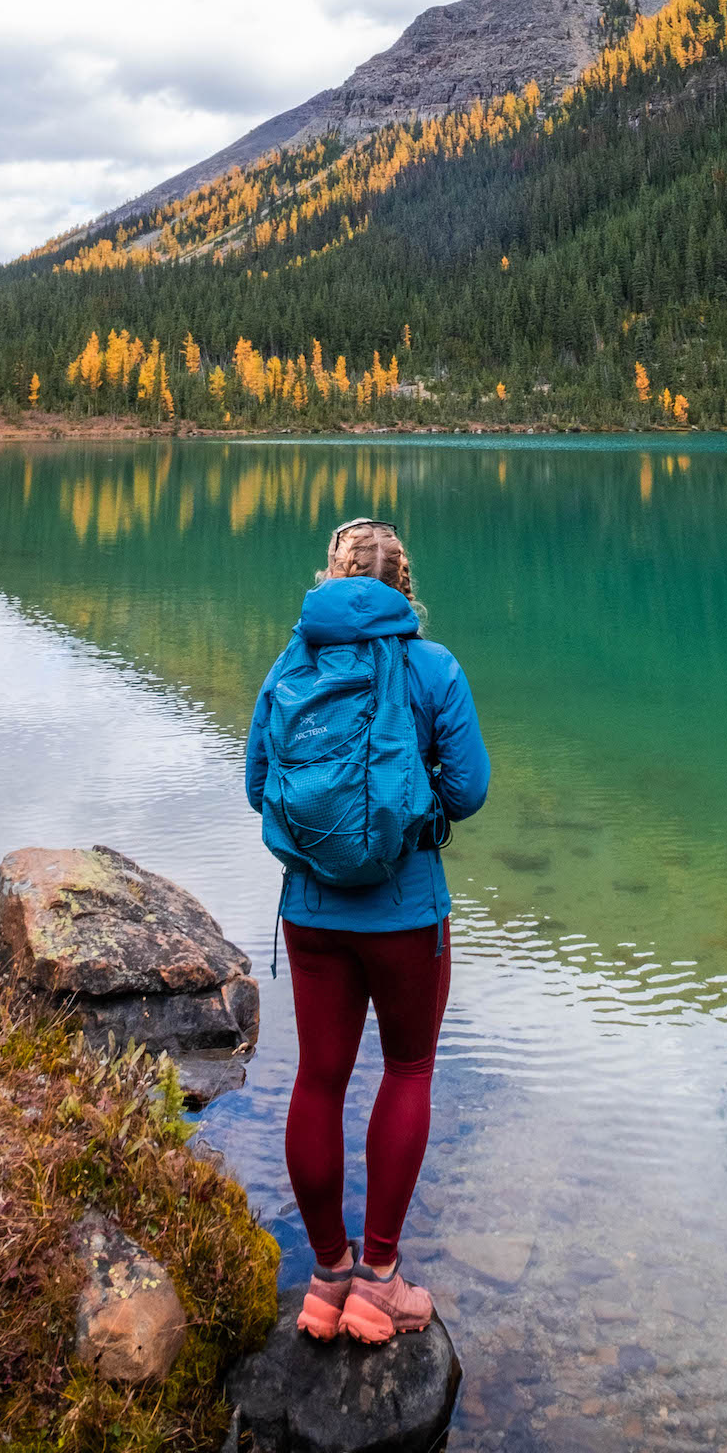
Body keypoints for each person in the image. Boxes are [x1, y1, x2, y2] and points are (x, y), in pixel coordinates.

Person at [246, 518, 491, 1345]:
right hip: (405, 909)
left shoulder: (293, 662)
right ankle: (379, 1280)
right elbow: (469, 791)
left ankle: (325, 1278)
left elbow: (256, 788)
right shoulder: (433, 666)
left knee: (318, 1080)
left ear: (332, 575)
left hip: (310, 910)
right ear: (404, 585)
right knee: (409, 1069)